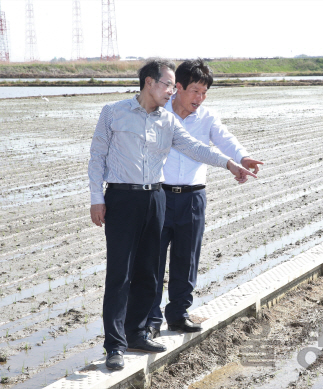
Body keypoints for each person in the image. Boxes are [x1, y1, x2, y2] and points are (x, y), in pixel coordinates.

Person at [88, 58, 256, 370]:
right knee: (120, 274)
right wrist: (97, 198)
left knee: (150, 272)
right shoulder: (113, 112)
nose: (171, 89)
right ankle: (115, 345)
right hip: (122, 197)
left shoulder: (167, 122)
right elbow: (97, 155)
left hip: (156, 197)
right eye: (167, 84)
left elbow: (196, 148)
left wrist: (231, 164)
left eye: (172, 85)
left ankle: (137, 333)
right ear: (149, 83)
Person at [145, 59, 263, 337]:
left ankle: (178, 315)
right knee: (152, 259)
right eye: (196, 91)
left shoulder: (207, 118)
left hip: (193, 197)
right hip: (159, 196)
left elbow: (225, 139)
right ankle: (150, 320)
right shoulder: (159, 113)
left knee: (187, 259)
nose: (200, 98)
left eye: (205, 92)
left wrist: (242, 157)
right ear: (178, 87)